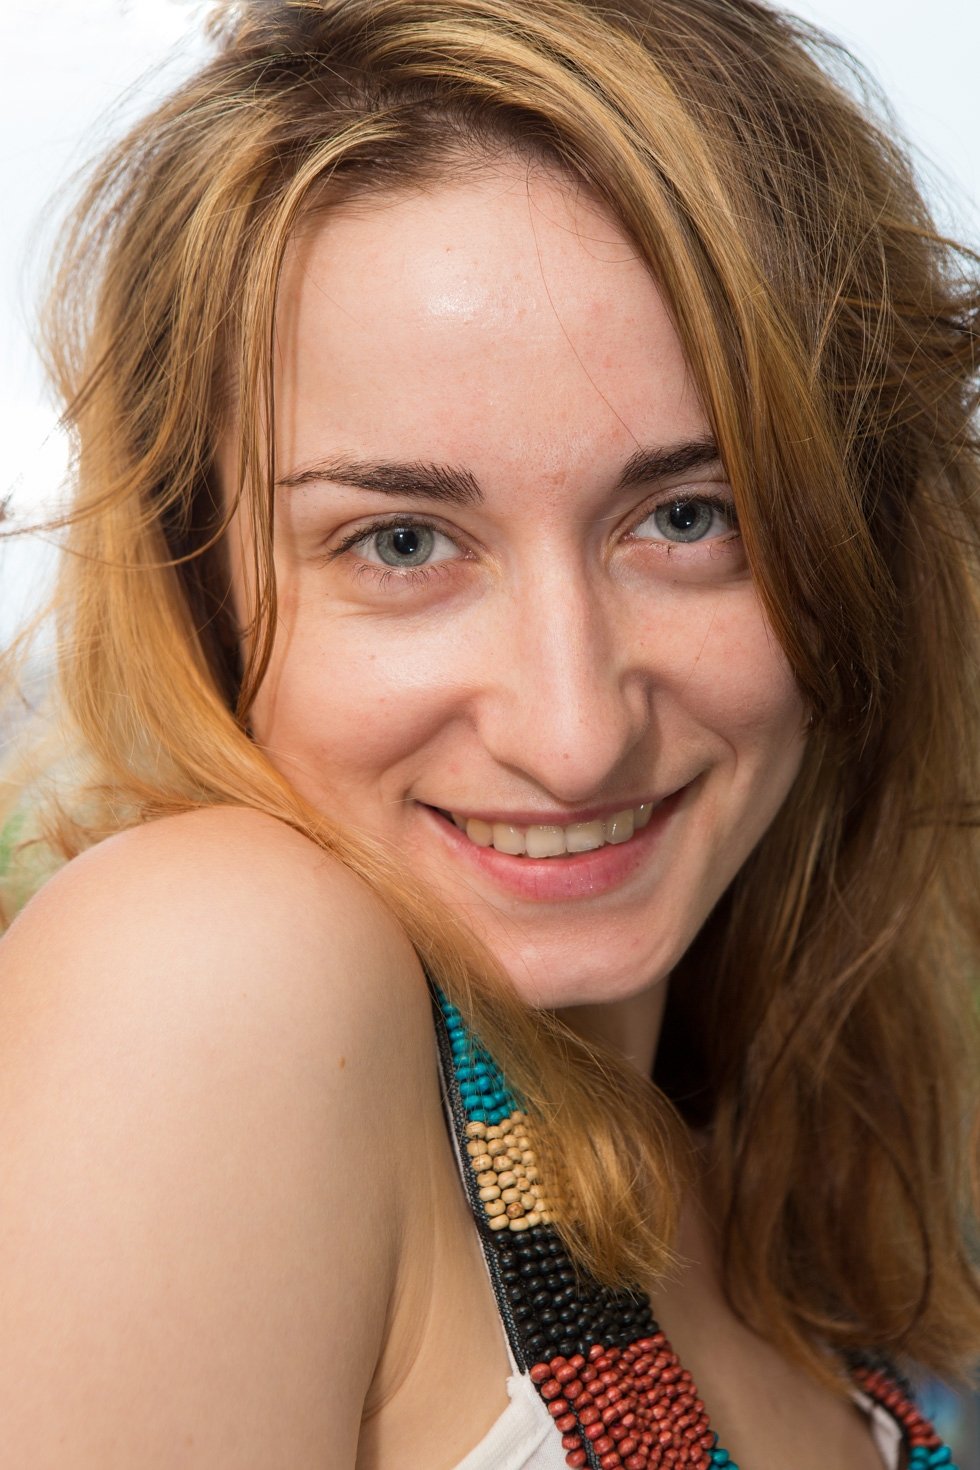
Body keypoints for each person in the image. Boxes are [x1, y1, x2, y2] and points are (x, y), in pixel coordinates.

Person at [0, 0, 977, 1465]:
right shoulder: (209, 973)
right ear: (204, 584)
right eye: (401, 541)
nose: (574, 735)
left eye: (689, 518)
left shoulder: (754, 1161)